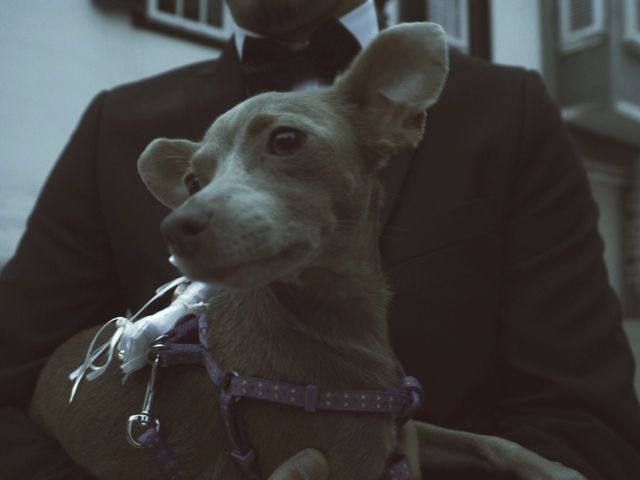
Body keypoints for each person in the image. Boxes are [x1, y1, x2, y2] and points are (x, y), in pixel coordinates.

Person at [1, 0, 639, 478]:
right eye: (198, 184)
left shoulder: (508, 109)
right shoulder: (116, 121)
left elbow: (585, 417)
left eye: (286, 143)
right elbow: (14, 386)